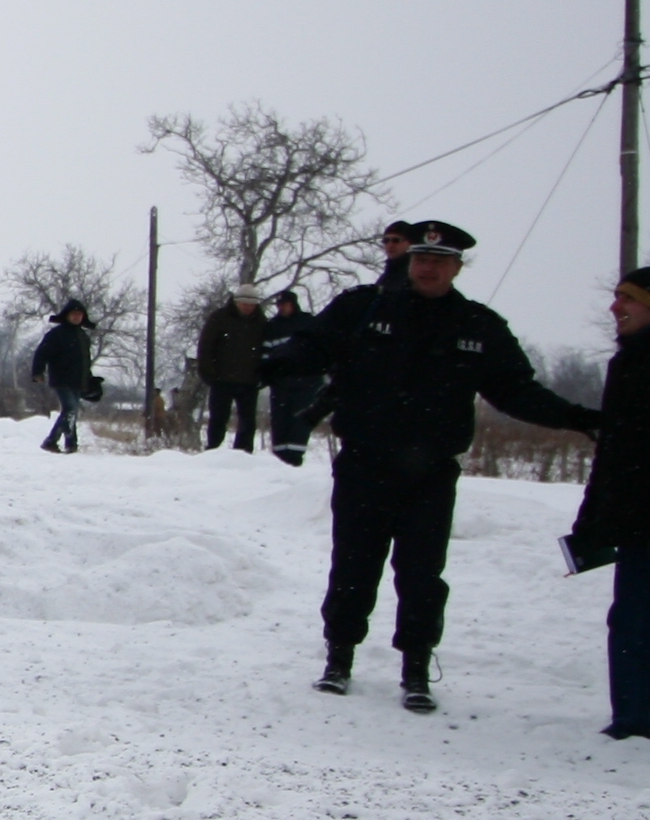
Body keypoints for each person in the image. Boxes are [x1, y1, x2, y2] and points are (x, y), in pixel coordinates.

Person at [264, 220, 599, 711]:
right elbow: (312, 346)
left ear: (457, 268)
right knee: (353, 565)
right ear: (409, 262)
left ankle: (416, 667)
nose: (428, 268)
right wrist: (266, 365)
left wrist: (578, 418)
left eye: (439, 262)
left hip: (430, 473)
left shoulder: (477, 325)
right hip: (364, 464)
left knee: (422, 574)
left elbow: (515, 391)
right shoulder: (365, 308)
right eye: (421, 259)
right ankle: (339, 658)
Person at [567, 269, 650, 738]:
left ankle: (636, 720)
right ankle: (634, 718)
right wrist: (591, 519)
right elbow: (614, 449)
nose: (615, 308)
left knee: (636, 620)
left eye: (628, 299)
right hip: (637, 519)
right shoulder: (628, 363)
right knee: (633, 619)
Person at [197, 282, 271, 452]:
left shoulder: (261, 323)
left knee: (247, 421)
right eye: (245, 303)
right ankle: (213, 451)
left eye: (252, 304)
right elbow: (206, 346)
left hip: (249, 381)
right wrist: (208, 373)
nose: (248, 307)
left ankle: (243, 453)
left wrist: (263, 375)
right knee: (218, 418)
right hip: (221, 379)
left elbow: (267, 351)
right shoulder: (219, 318)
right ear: (237, 302)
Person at [264, 288, 325, 465]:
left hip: (307, 382)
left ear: (293, 304)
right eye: (279, 305)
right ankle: (279, 460)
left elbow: (322, 349)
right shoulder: (272, 327)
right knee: (279, 422)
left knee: (299, 421)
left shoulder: (308, 322)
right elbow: (266, 354)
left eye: (285, 304)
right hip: (281, 384)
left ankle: (294, 459)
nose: (281, 308)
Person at [30, 301, 95, 453]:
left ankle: (70, 443)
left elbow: (85, 361)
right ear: (67, 316)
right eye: (74, 314)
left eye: (79, 314)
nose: (77, 317)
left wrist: (90, 379)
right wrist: (38, 372)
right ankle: (52, 441)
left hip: (78, 380)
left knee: (72, 411)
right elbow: (42, 353)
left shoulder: (83, 336)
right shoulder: (57, 334)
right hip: (61, 379)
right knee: (70, 409)